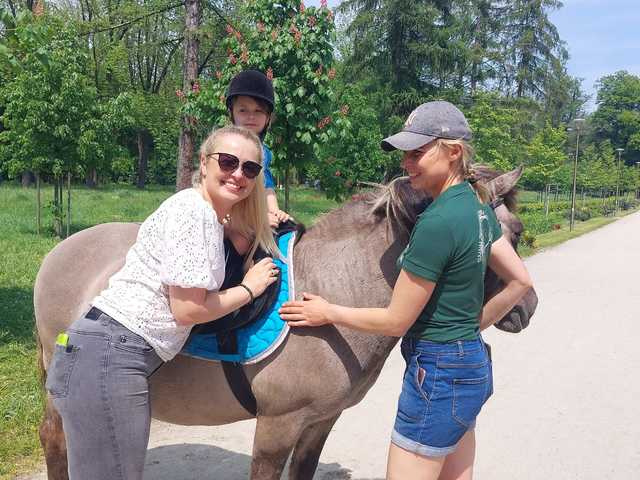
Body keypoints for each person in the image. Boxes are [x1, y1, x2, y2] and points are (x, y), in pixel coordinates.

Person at [280, 101, 533, 480]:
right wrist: (470, 326)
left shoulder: (435, 223)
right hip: (470, 366)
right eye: (405, 154)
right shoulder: (479, 208)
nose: (406, 163)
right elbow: (521, 280)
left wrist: (328, 312)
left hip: (437, 373)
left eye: (417, 153)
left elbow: (397, 319)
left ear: (453, 151)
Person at [45, 126, 281, 480]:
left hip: (109, 351)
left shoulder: (204, 214)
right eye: (228, 162)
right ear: (204, 163)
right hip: (112, 355)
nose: (238, 174)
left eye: (250, 169)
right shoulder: (194, 213)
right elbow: (187, 310)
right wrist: (249, 288)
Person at [226, 69, 291, 227]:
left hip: (255, 215)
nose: (251, 116)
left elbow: (266, 186)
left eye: (258, 111)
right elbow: (224, 194)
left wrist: (274, 211)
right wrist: (254, 220)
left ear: (268, 117)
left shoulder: (264, 152)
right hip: (229, 219)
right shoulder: (225, 148)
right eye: (243, 110)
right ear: (232, 113)